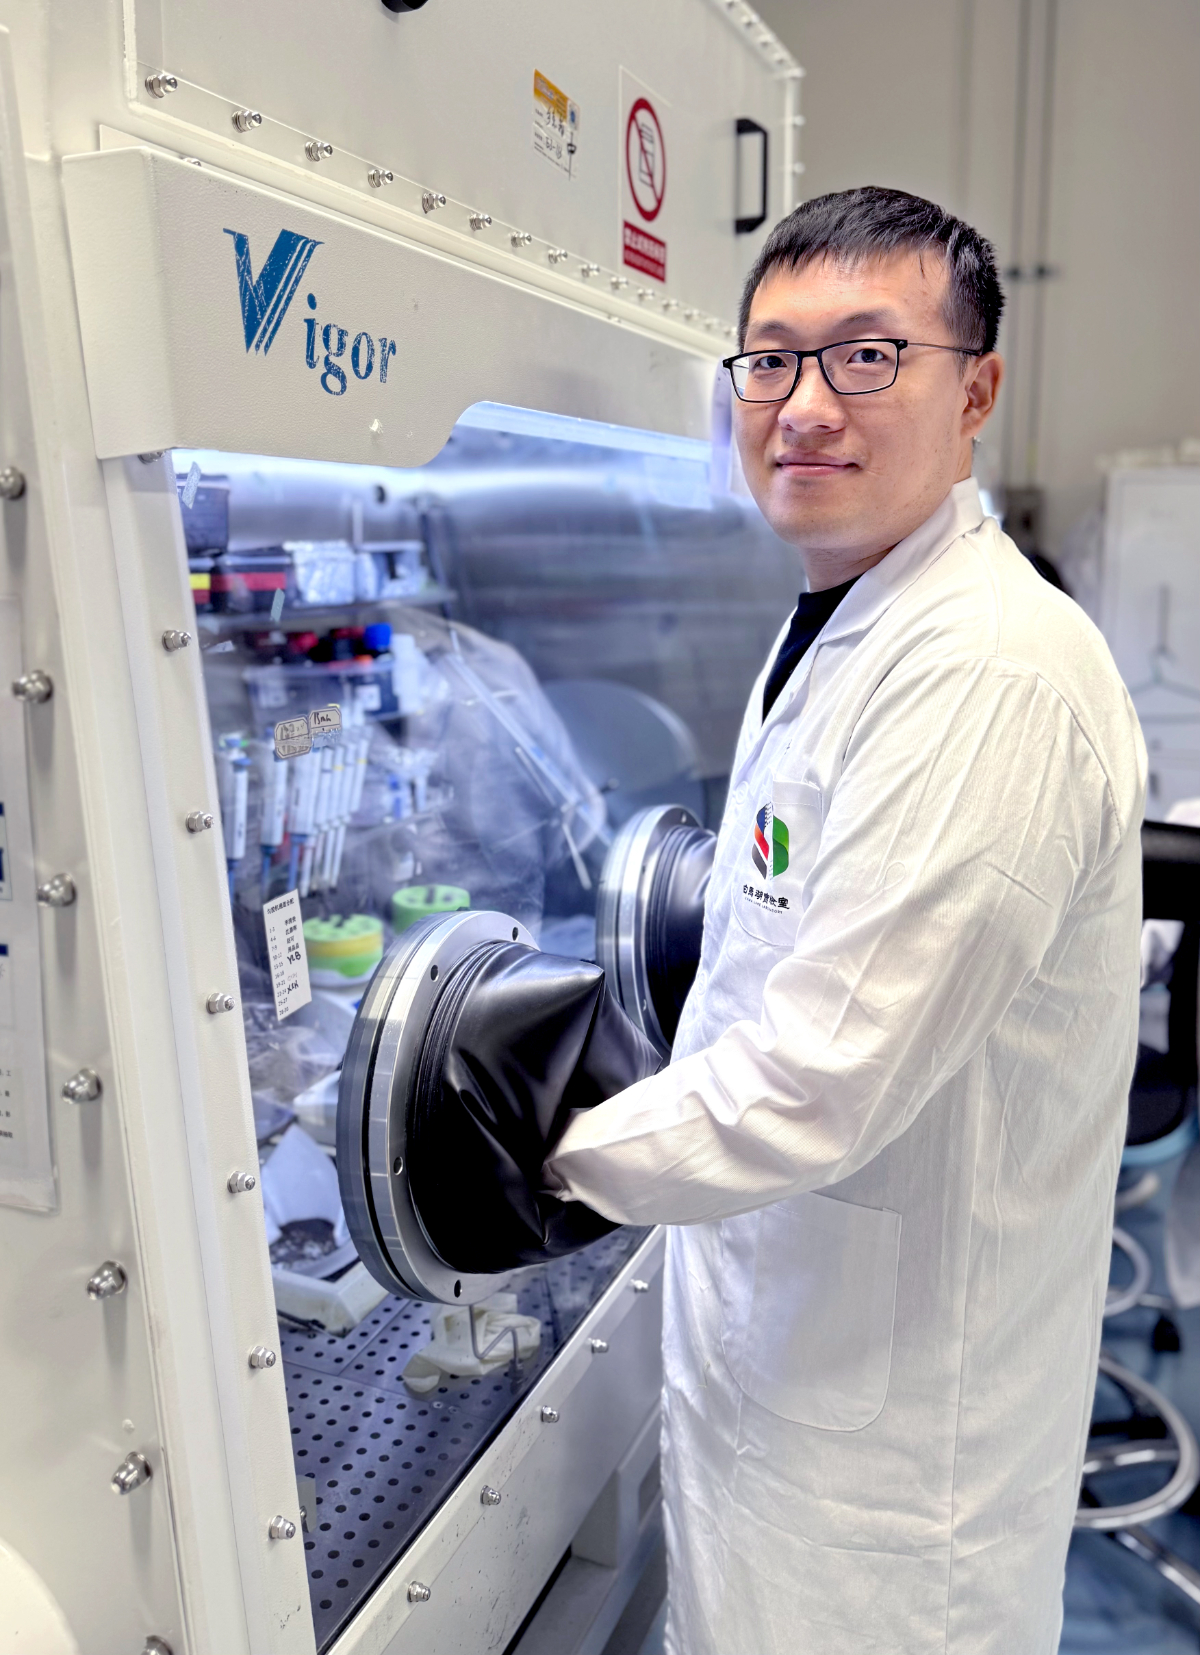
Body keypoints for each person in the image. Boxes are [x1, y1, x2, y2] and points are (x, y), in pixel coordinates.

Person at [545, 187, 1147, 1654]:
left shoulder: (988, 674)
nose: (805, 405)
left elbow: (821, 1079)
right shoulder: (844, 610)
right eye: (771, 360)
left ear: (975, 393)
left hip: (894, 1463)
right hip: (793, 1349)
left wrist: (547, 1152)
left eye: (868, 355)